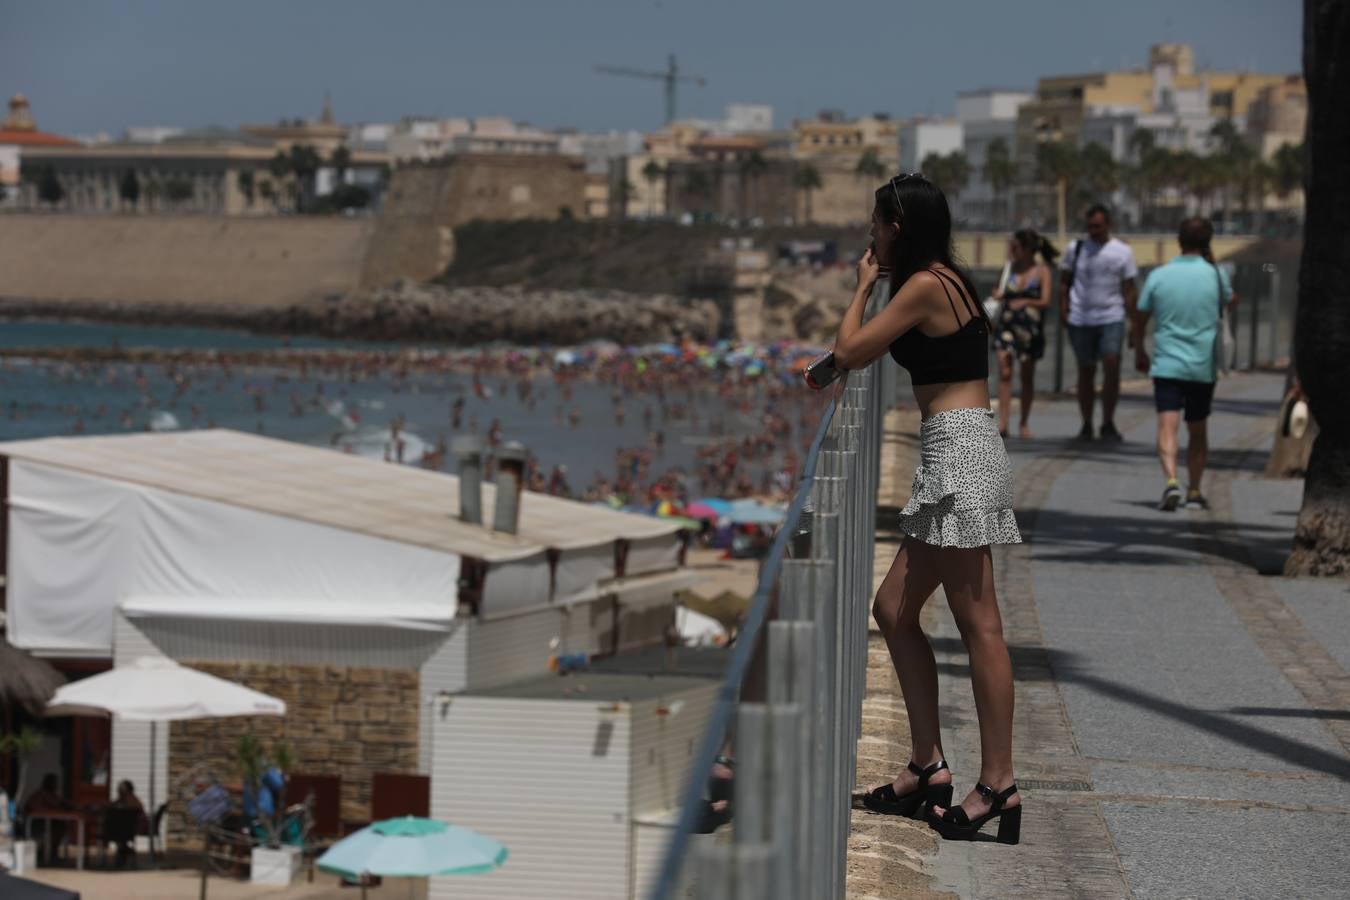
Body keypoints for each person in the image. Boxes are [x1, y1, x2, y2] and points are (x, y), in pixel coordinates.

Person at [820, 173, 1022, 844]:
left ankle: (998, 784)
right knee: (893, 608)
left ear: (897, 228)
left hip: (960, 453)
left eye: (876, 225)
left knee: (980, 625)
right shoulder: (946, 278)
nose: (870, 236)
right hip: (954, 448)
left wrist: (862, 287)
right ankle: (927, 765)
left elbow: (850, 351)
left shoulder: (925, 285)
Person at [1133, 216, 1234, 511]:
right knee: (1197, 430)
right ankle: (1195, 491)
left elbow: (1140, 317)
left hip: (1167, 363)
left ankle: (1171, 481)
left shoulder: (1159, 276)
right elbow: (1229, 302)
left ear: (1179, 241)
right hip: (1202, 366)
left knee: (1168, 426)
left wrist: (1139, 350)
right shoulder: (1216, 275)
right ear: (1208, 242)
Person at [1060, 204, 1138, 441]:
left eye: (1098, 226)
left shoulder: (1123, 251)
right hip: (1080, 318)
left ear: (1108, 225)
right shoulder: (1075, 248)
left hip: (1112, 316)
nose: (1093, 231)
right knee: (1086, 370)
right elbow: (1064, 282)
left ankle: (1107, 422)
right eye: (1090, 226)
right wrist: (1063, 309)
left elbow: (1129, 289)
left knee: (1112, 365)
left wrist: (1135, 323)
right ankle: (1086, 423)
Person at [992, 229, 1058, 438]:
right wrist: (999, 295)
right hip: (1006, 325)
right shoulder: (1009, 268)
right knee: (1005, 372)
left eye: (1016, 247)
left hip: (1029, 329)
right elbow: (999, 291)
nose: (1013, 251)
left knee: (1026, 375)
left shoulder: (1042, 270)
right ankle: (1003, 423)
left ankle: (1023, 422)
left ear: (1028, 248)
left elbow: (1046, 300)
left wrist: (1025, 301)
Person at [107, 779, 147, 868]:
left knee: (115, 832)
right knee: (116, 832)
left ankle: (124, 851)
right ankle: (125, 850)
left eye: (121, 789)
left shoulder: (132, 800)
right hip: (124, 829)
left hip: (133, 828)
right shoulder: (121, 800)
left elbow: (137, 814)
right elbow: (111, 805)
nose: (119, 791)